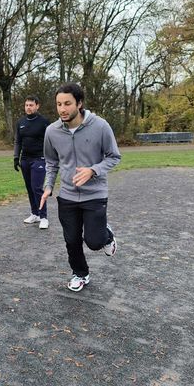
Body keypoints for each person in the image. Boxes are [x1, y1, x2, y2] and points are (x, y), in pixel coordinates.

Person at [40, 83, 121, 292]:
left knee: (94, 242)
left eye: (67, 103)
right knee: (71, 240)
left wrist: (93, 170)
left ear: (80, 103)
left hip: (95, 193)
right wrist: (48, 186)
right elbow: (51, 162)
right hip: (67, 195)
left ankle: (106, 235)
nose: (62, 109)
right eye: (59, 104)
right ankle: (80, 273)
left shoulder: (101, 126)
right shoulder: (52, 131)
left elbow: (114, 157)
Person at [13, 95, 51, 229]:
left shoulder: (44, 122)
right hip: (25, 160)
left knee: (37, 188)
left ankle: (43, 216)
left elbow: (51, 140)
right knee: (29, 189)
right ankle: (34, 214)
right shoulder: (20, 122)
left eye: (31, 105)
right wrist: (16, 157)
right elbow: (18, 141)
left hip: (39, 159)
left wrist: (51, 158)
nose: (28, 108)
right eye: (26, 105)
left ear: (37, 106)